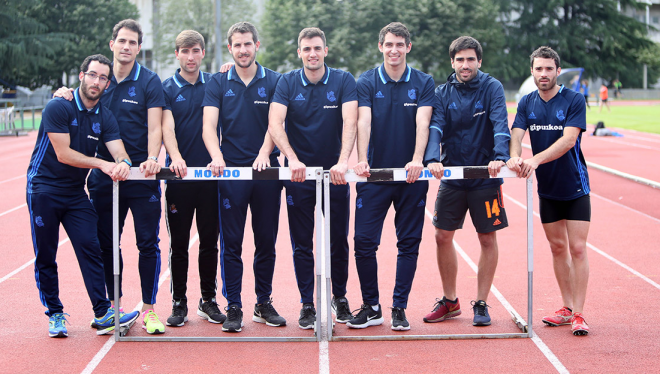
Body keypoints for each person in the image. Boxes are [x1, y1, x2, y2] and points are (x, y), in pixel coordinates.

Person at [54, 19, 166, 334]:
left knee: (148, 243)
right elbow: (78, 99)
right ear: (112, 44)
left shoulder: (149, 80)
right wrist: (63, 92)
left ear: (139, 48)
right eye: (122, 41)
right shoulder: (99, 80)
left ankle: (149, 309)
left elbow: (155, 126)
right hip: (105, 176)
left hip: (142, 175)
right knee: (106, 242)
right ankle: (113, 307)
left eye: (133, 42)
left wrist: (154, 158)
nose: (127, 47)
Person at [27, 54, 140, 337]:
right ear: (81, 76)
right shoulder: (59, 106)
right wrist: (103, 164)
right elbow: (63, 154)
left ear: (107, 84)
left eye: (103, 78)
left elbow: (119, 151)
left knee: (91, 246)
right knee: (46, 254)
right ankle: (54, 313)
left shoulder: (105, 116)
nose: (96, 81)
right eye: (92, 75)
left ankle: (102, 312)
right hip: (44, 189)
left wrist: (123, 163)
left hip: (76, 193)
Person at [268, 27, 358, 329]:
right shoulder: (287, 82)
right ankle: (308, 303)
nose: (312, 54)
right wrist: (293, 160)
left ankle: (340, 296)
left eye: (317, 48)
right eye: (307, 49)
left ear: (326, 50)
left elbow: (350, 121)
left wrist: (343, 162)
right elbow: (275, 123)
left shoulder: (344, 80)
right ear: (299, 53)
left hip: (334, 176)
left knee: (337, 242)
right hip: (299, 177)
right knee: (301, 243)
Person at [346, 22, 433, 331]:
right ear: (380, 47)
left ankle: (399, 307)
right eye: (389, 44)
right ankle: (372, 306)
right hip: (375, 177)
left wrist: (417, 160)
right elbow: (363, 121)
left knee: (408, 243)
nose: (394, 49)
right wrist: (362, 159)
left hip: (411, 177)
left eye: (400, 44)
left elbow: (423, 123)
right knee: (363, 242)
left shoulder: (423, 81)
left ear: (408, 47)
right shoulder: (367, 81)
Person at [202, 22, 286, 333]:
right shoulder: (218, 81)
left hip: (266, 173)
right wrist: (217, 156)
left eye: (248, 44)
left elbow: (275, 123)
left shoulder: (276, 80)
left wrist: (265, 152)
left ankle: (263, 302)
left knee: (266, 241)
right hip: (232, 173)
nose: (243, 50)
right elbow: (209, 126)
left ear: (257, 45)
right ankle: (233, 305)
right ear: (230, 48)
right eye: (237, 45)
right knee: (232, 243)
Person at [423, 36, 510, 327]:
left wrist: (500, 156)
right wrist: (432, 158)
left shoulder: (492, 87)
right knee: (441, 236)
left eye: (470, 59)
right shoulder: (442, 92)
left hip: (485, 177)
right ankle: (450, 301)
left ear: (479, 61)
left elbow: (500, 122)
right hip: (453, 177)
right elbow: (435, 126)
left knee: (487, 238)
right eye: (460, 59)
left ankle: (481, 303)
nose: (465, 64)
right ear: (452, 62)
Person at [507, 46, 590, 336]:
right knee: (557, 248)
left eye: (549, 69)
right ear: (532, 71)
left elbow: (569, 140)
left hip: (575, 186)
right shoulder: (527, 102)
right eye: (538, 69)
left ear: (557, 71)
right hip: (548, 189)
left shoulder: (573, 99)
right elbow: (516, 135)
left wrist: (534, 160)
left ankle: (580, 313)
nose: (544, 74)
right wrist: (515, 156)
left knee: (577, 248)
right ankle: (567, 308)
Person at [161, 30, 224, 328]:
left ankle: (207, 300)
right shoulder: (166, 88)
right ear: (177, 54)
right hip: (179, 179)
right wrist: (175, 157)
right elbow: (166, 129)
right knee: (180, 244)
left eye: (196, 51)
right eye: (185, 51)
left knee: (210, 242)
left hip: (211, 178)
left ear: (202, 53)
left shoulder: (215, 82)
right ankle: (179, 300)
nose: (190, 57)